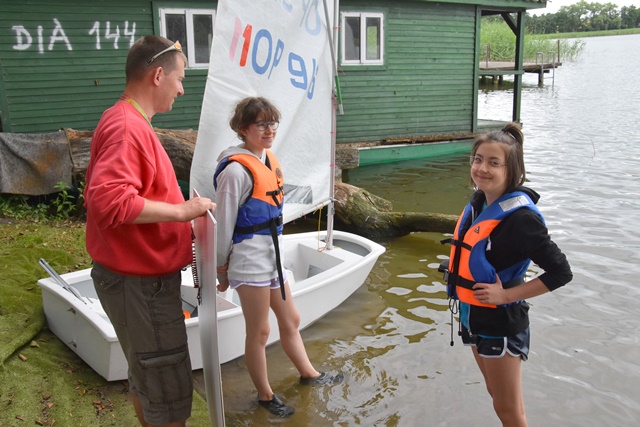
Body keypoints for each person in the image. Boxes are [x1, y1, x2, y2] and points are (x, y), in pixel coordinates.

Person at [84, 35, 215, 427]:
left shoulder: (125, 119)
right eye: (180, 78)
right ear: (158, 75)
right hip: (141, 287)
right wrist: (182, 211)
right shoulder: (127, 127)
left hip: (135, 283)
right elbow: (109, 201)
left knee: (147, 378)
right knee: (166, 392)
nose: (181, 88)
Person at [213, 96, 343, 417]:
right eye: (261, 124)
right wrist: (221, 270)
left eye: (273, 123)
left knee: (291, 319)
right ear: (243, 128)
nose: (269, 130)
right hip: (250, 259)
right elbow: (223, 225)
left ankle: (309, 373)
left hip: (273, 254)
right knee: (259, 331)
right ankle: (265, 395)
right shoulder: (235, 172)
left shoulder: (268, 159)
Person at [443, 122, 572, 427]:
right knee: (496, 396)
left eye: (494, 163)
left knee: (509, 410)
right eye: (478, 159)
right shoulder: (479, 204)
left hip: (500, 323)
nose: (482, 168)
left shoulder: (521, 220)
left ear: (512, 170)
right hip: (473, 315)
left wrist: (505, 296)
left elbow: (561, 272)